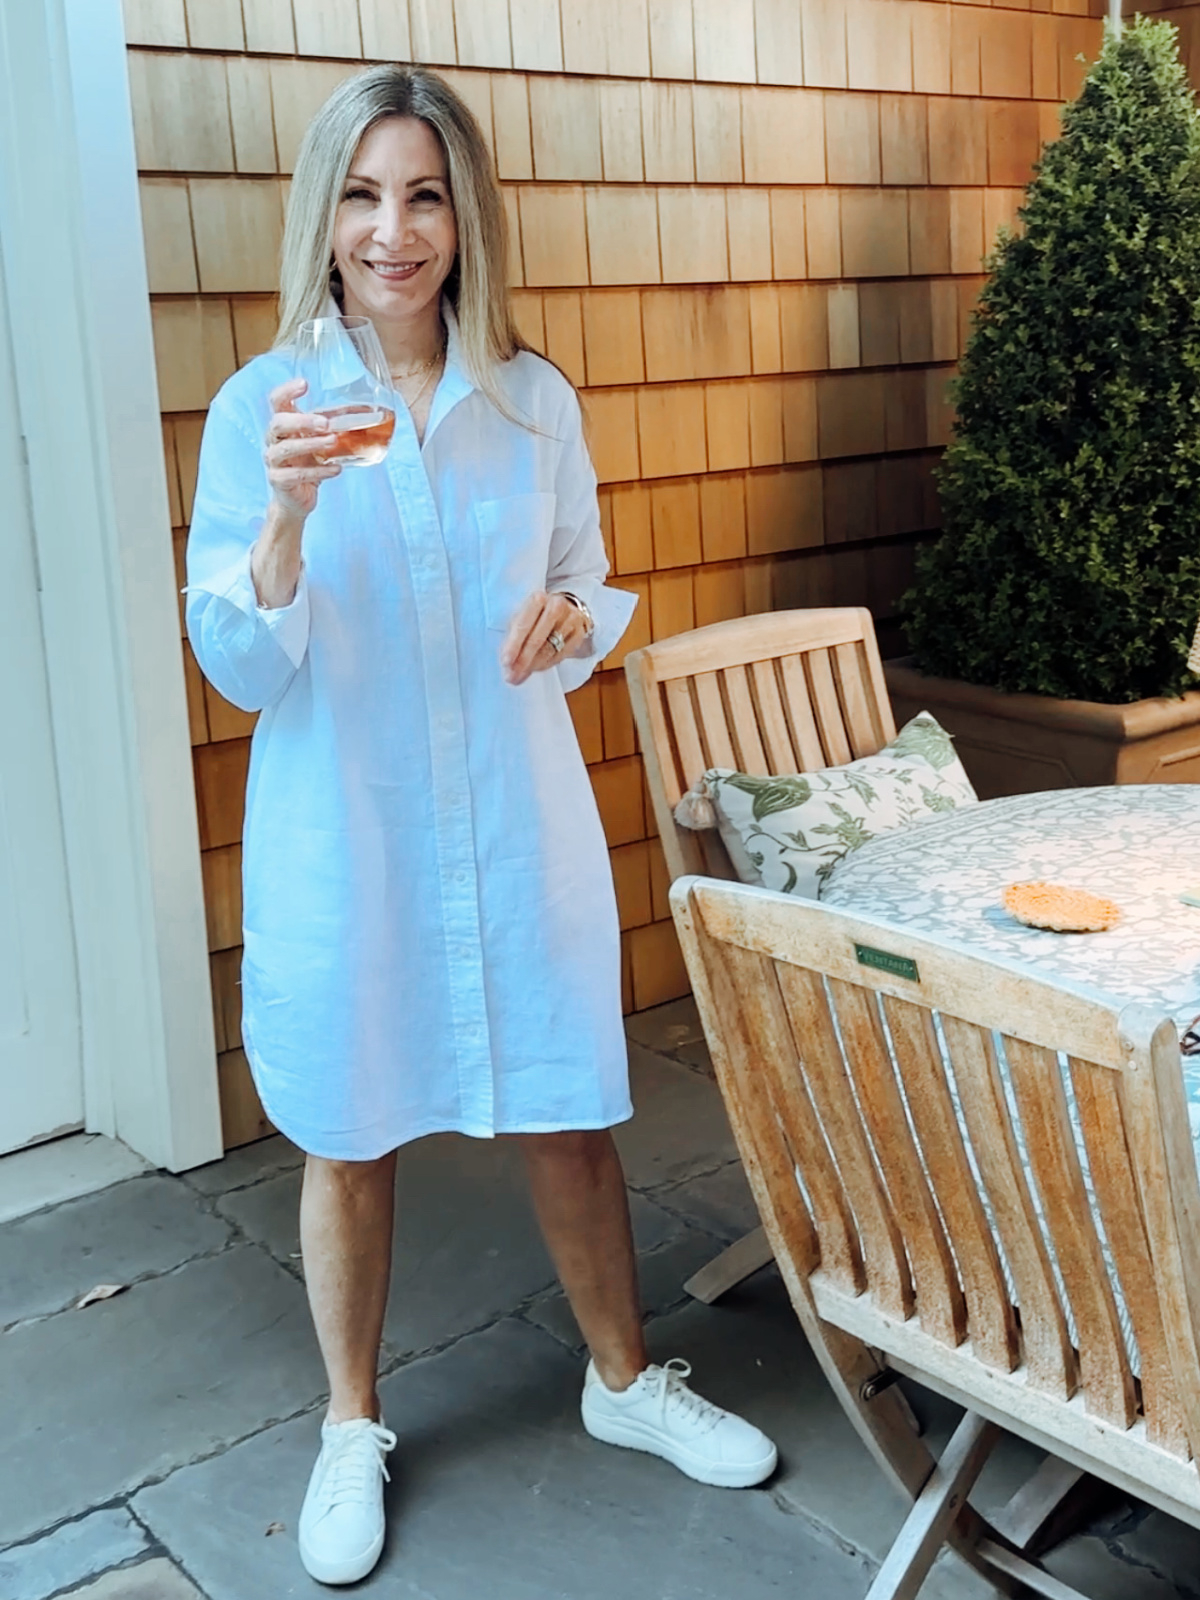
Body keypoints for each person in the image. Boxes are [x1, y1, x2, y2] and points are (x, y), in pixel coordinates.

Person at [186, 63, 777, 1588]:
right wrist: (288, 519)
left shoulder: (530, 396)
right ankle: (349, 1425)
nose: (396, 230)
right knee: (350, 1122)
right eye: (365, 195)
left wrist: (574, 615)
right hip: (352, 834)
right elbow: (242, 662)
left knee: (570, 1105)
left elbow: (586, 583)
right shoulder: (267, 409)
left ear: (466, 213)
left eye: (426, 192)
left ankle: (624, 1380)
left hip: (515, 821)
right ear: (324, 217)